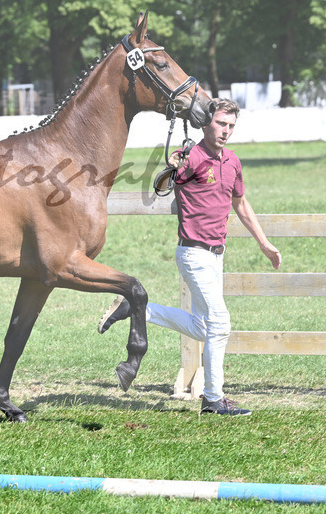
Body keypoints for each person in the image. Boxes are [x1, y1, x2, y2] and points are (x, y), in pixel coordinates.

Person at [98, 98, 281, 416]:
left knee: (202, 327)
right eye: (221, 124)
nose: (226, 131)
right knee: (220, 324)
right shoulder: (192, 156)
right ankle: (213, 399)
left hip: (216, 256)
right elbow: (160, 187)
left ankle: (137, 308)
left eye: (231, 126)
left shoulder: (232, 161)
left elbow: (241, 204)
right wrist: (172, 166)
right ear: (207, 123)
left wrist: (264, 244)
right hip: (193, 254)